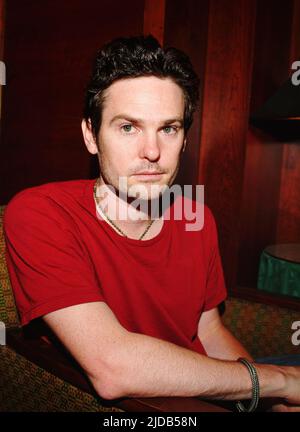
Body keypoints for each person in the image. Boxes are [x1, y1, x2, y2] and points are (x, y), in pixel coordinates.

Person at [3, 35, 300, 412]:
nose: (152, 152)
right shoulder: (40, 212)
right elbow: (113, 369)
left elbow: (208, 332)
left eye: (168, 128)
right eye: (128, 127)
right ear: (90, 136)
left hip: (211, 392)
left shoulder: (197, 218)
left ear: (185, 138)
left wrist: (268, 398)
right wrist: (278, 381)